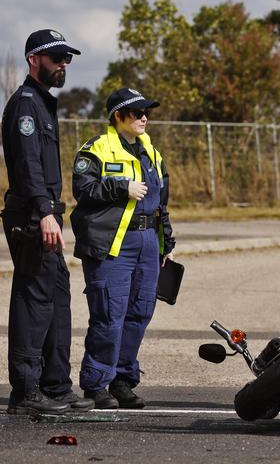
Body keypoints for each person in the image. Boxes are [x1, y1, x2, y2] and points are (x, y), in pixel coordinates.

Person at [1, 29, 94, 414]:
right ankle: (25, 393)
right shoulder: (25, 105)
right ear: (33, 60)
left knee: (57, 301)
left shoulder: (43, 104)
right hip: (32, 215)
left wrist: (52, 212)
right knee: (34, 302)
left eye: (66, 59)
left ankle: (55, 386)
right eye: (56, 58)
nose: (63, 65)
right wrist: (43, 211)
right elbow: (26, 165)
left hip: (48, 214)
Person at [70, 88, 175, 409]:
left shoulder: (152, 153)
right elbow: (82, 188)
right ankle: (96, 382)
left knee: (140, 313)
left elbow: (162, 201)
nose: (144, 117)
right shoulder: (97, 149)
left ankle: (122, 380)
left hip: (147, 243)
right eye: (137, 112)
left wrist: (166, 241)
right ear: (118, 116)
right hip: (112, 244)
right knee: (108, 315)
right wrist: (121, 187)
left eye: (147, 112)